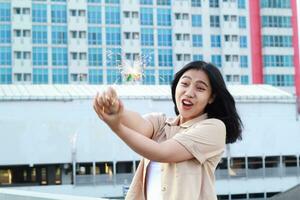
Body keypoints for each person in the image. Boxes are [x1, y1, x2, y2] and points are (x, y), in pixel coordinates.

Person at [93, 61, 243, 200]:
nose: (189, 92)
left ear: (211, 98)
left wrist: (116, 127)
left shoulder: (213, 128)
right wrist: (114, 108)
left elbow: (161, 152)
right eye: (184, 83)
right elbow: (139, 124)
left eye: (200, 88)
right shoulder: (162, 123)